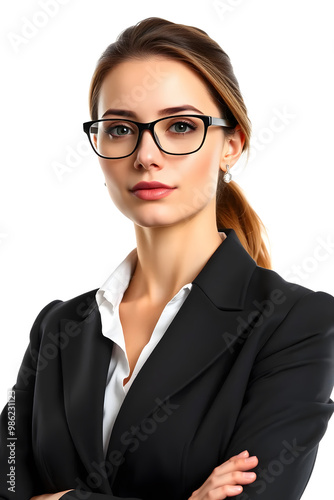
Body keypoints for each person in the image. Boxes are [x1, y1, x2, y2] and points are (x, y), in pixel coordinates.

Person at [0, 16, 333, 500]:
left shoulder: (295, 324)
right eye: (119, 129)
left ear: (231, 144)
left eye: (179, 127)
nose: (146, 155)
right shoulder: (57, 327)